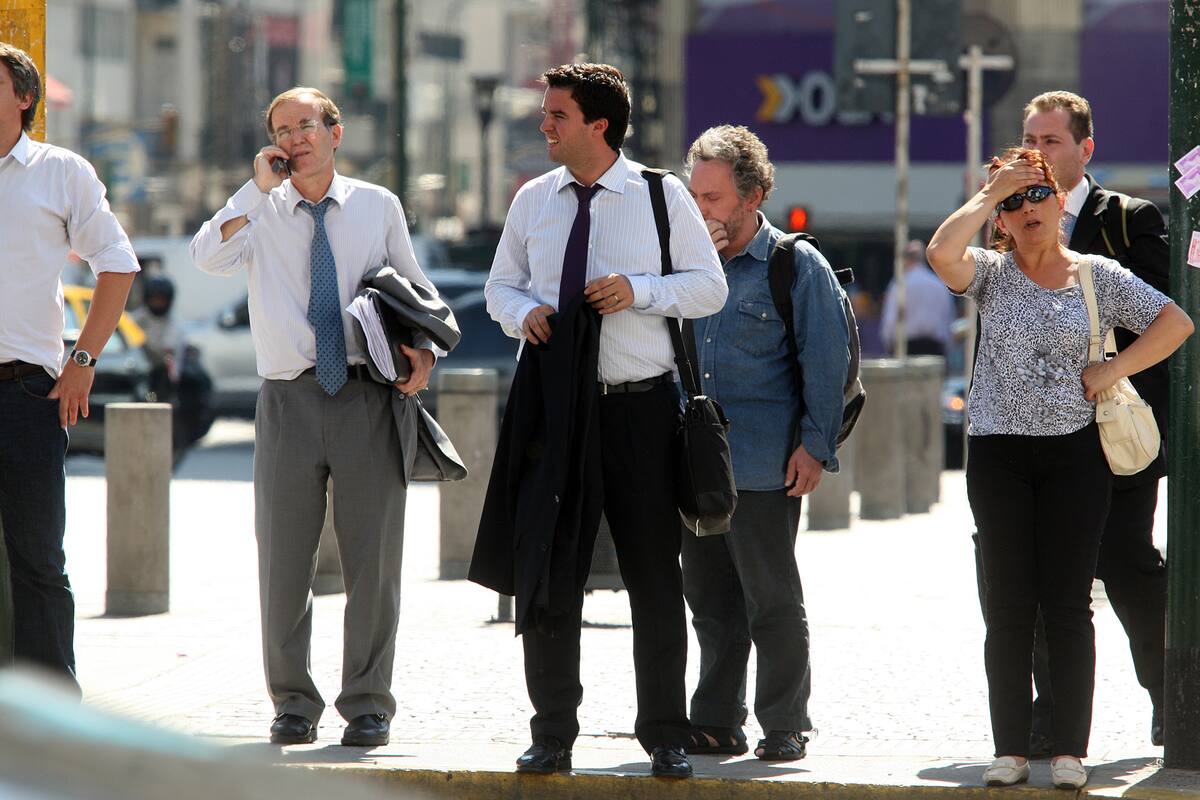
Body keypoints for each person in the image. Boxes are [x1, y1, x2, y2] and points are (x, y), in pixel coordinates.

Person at [473, 63, 726, 779]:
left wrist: (638, 291)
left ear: (598, 125)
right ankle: (552, 731)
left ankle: (665, 735)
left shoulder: (658, 194)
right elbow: (500, 286)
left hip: (640, 409)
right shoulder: (534, 200)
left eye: (556, 114)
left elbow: (707, 287)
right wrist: (526, 314)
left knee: (654, 578)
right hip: (554, 412)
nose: (544, 124)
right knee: (549, 573)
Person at [926, 147, 1191, 790]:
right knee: (1010, 605)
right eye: (1013, 204)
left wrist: (1114, 369)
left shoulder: (1096, 274)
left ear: (1059, 203)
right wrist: (991, 192)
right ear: (1002, 222)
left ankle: (1070, 750)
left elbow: (1175, 322)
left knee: (1069, 604)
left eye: (1036, 193)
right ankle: (1010, 750)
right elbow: (941, 254)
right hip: (998, 455)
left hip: (1076, 452)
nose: (1027, 209)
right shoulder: (990, 271)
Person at [190, 86, 441, 747]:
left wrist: (424, 349)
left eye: (307, 125)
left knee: (374, 562)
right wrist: (252, 192)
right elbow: (205, 257)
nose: (295, 137)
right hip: (288, 400)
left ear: (336, 133)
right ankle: (293, 703)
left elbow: (416, 290)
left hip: (368, 395)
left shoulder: (378, 206)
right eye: (281, 128)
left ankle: (367, 704)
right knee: (282, 560)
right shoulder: (259, 212)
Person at [680, 125, 849, 761]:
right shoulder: (681, 266)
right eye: (694, 195)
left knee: (771, 602)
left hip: (763, 464)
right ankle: (718, 717)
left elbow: (827, 363)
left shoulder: (795, 266)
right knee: (710, 604)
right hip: (693, 465)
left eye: (713, 198)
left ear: (752, 197)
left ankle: (785, 721)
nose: (700, 209)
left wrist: (815, 447)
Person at [1021, 90, 1172, 752]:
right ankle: (1051, 717)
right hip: (1032, 434)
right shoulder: (1012, 218)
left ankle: (1171, 695)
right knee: (1044, 578)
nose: (1039, 154)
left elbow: (1158, 315)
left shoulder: (1127, 219)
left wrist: (1106, 368)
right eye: (1031, 141)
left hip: (1112, 429)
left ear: (1085, 149)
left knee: (1127, 566)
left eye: (1051, 142)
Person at [0, 43, 139, 686]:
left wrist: (82, 360)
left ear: (24, 98)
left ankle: (53, 711)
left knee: (37, 559)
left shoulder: (61, 173)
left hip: (26, 394)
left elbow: (116, 263)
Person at [880, 239, 956, 357]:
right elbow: (948, 317)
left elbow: (890, 320)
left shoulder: (899, 284)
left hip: (907, 347)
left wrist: (888, 345)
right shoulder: (938, 284)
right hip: (935, 348)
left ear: (905, 260)